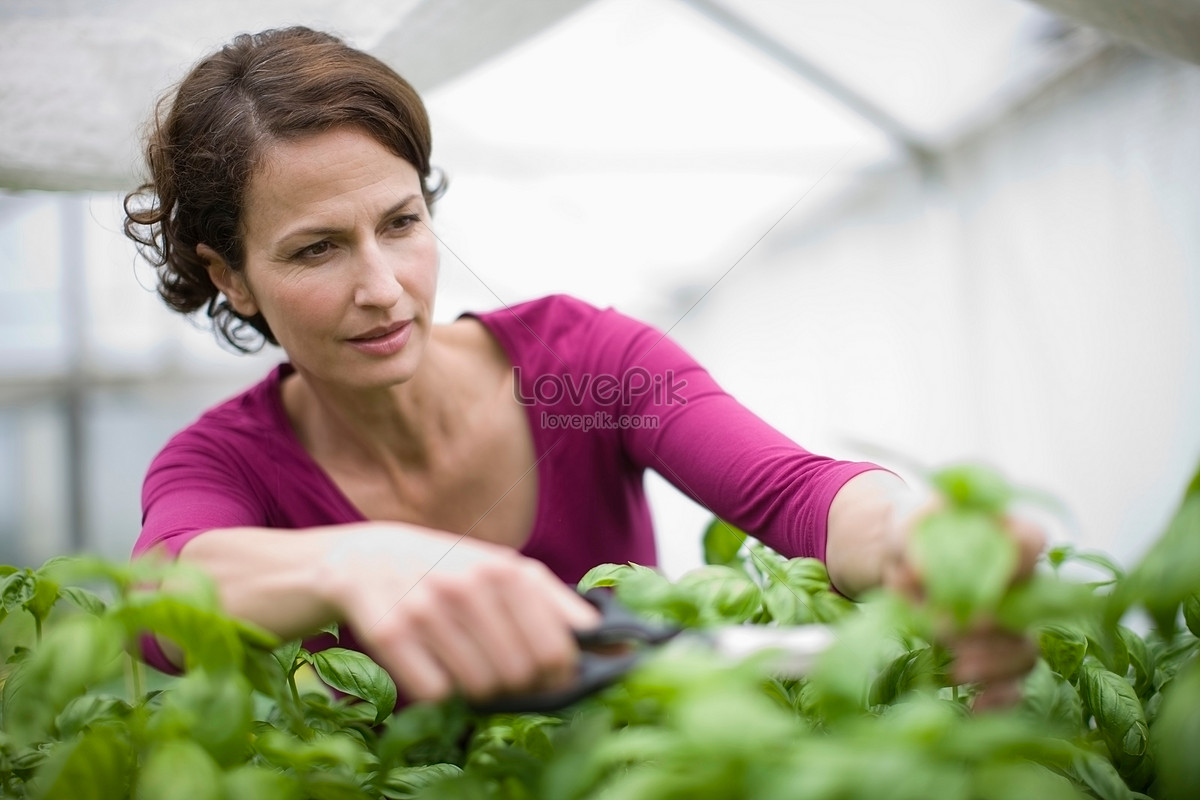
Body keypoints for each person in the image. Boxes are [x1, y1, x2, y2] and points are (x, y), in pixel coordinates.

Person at [126, 26, 1043, 710]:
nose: (382, 287)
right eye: (316, 251)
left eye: (400, 224)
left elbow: (797, 491)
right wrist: (359, 559)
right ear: (231, 277)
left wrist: (920, 537)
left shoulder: (586, 365)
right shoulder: (223, 464)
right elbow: (166, 606)